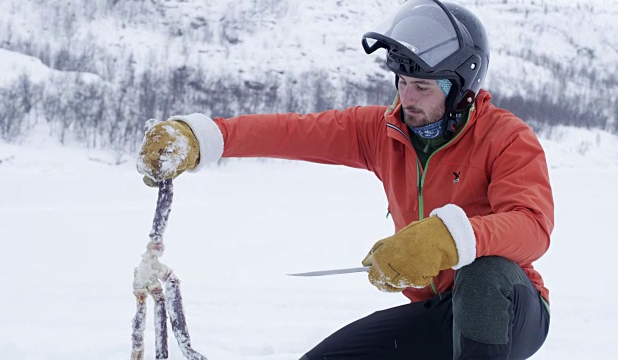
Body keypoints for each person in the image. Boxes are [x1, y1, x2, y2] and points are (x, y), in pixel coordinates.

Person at [137, 0, 553, 358]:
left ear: (460, 87)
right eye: (403, 83)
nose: (407, 99)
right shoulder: (385, 131)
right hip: (442, 311)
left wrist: (446, 239)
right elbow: (293, 131)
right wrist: (206, 138)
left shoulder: (506, 137)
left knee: (484, 276)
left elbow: (532, 226)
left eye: (422, 87)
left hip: (512, 311)